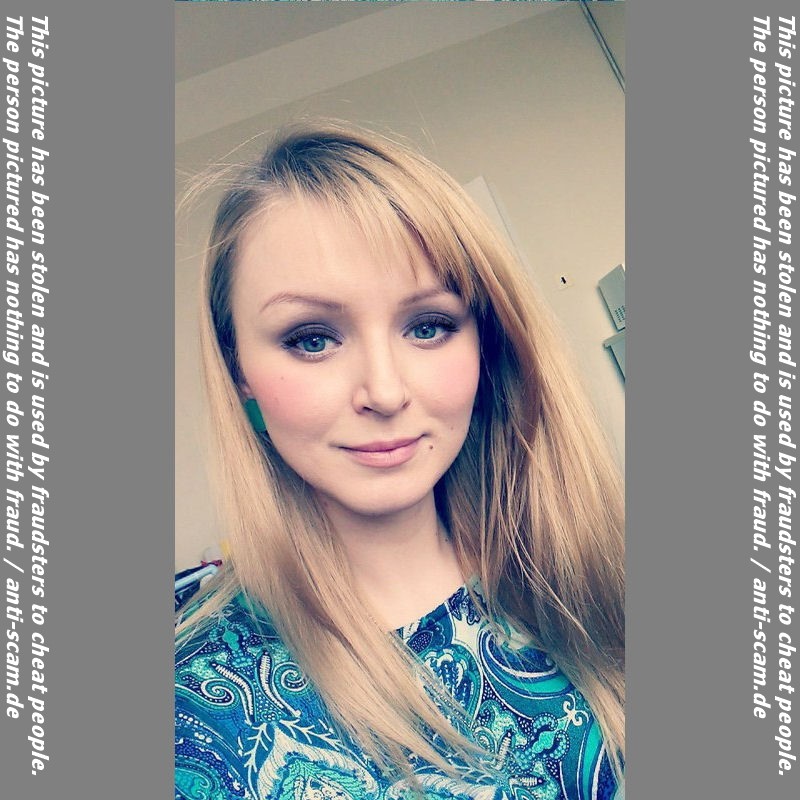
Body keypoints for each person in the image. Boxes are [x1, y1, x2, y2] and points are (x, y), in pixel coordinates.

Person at [175, 121, 624, 800]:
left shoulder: (591, 570)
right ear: (239, 370)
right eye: (312, 338)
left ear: (486, 343)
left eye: (428, 326)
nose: (384, 393)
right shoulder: (192, 700)